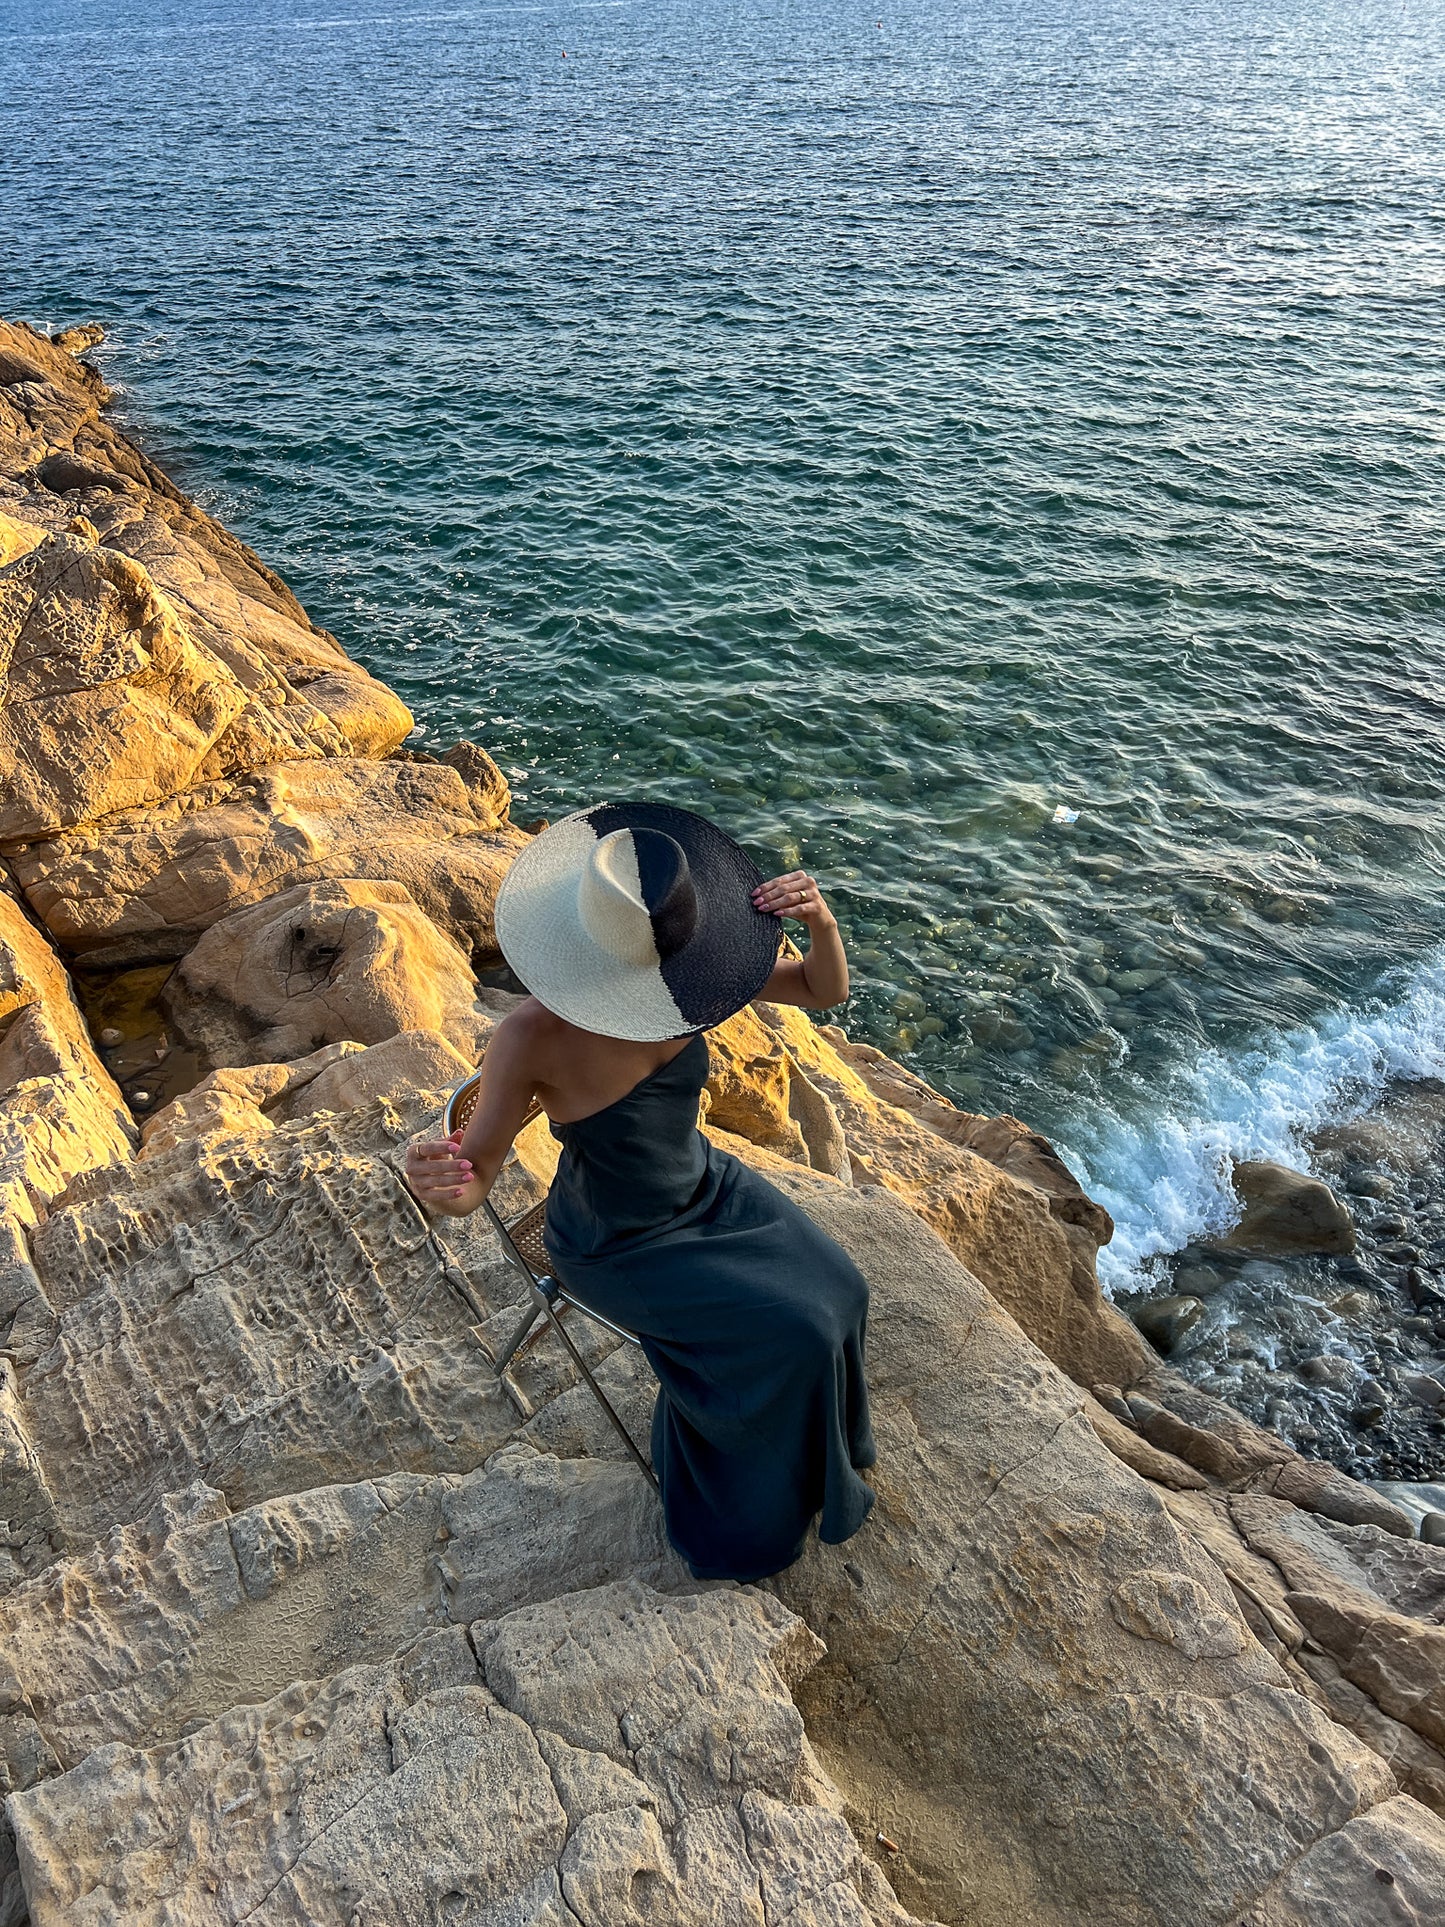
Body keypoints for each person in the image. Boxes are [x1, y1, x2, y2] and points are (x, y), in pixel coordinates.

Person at [404, 800, 875, 1583]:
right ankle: (743, 1519)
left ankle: (822, 1458)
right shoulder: (529, 1035)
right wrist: (437, 1183)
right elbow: (474, 1176)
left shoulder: (688, 972)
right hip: (613, 1238)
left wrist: (820, 922)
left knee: (842, 1292)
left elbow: (820, 991)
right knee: (791, 1334)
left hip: (702, 1188)